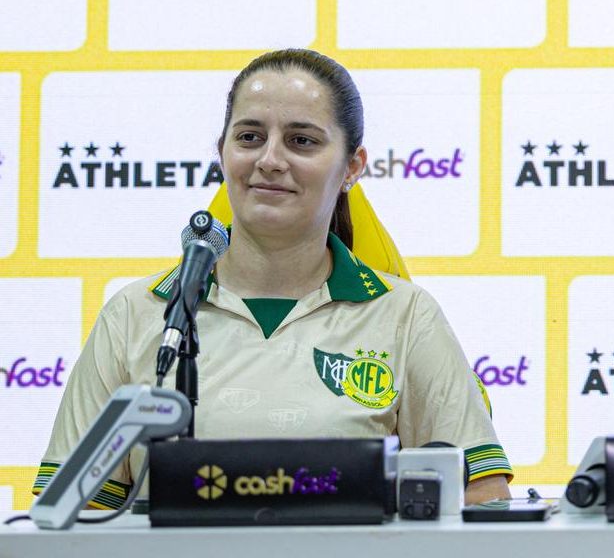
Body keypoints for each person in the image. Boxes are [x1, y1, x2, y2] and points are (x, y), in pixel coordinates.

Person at [35, 49, 512, 508]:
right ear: (221, 152)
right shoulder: (134, 314)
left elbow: (480, 496)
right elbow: (72, 513)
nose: (270, 159)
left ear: (352, 167)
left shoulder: (406, 315)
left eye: (301, 140)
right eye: (249, 137)